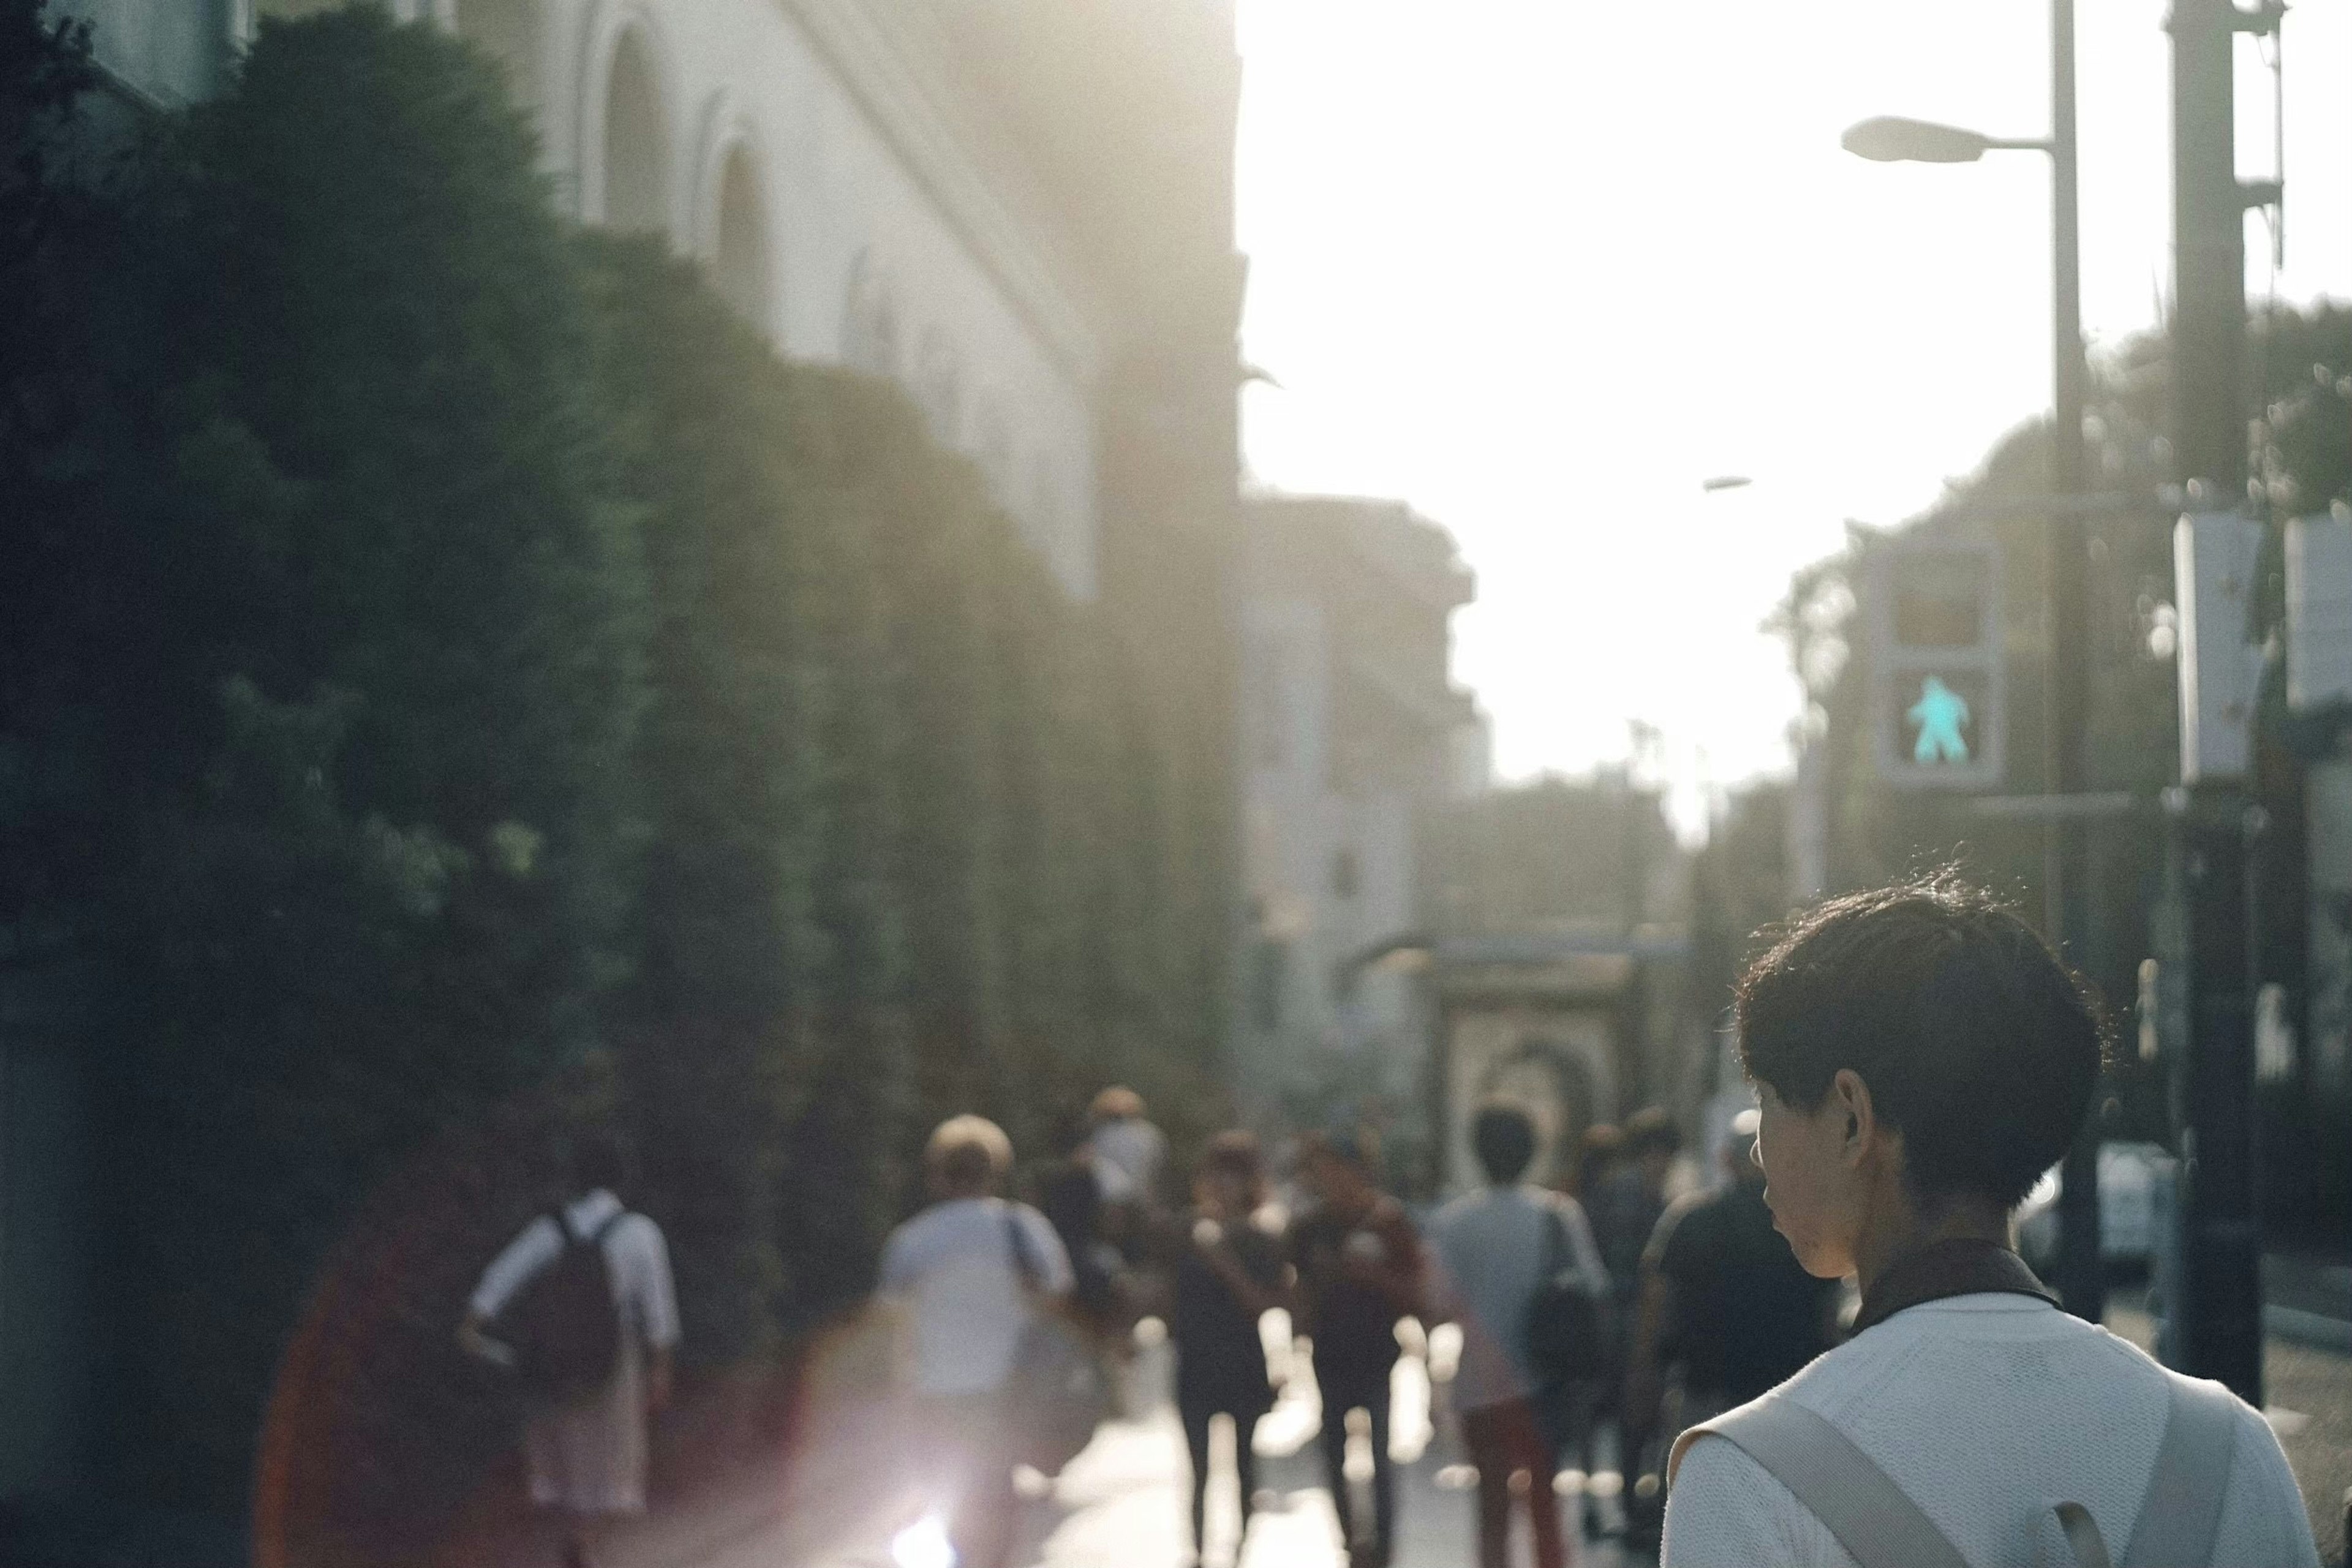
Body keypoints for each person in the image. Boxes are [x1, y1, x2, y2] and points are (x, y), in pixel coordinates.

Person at [1663, 880, 2320, 1567]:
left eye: (1767, 1099)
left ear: (1853, 1118)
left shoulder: (1746, 1478)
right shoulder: (2231, 1449)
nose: (1761, 1148)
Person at [459, 1130, 680, 1568]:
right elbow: (659, 1310)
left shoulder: (552, 1228)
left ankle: (569, 1542)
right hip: (611, 1364)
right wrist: (660, 1368)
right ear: (622, 1178)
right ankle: (582, 1546)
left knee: (561, 1463)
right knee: (609, 1466)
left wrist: (474, 1321)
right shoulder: (639, 1232)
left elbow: (506, 1272)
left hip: (553, 1362)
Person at [1621, 1106, 1838, 1525]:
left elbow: (1655, 1308)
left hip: (1706, 1395)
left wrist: (1643, 1377)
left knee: (1701, 1519)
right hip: (1788, 1397)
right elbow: (1829, 1316)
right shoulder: (1807, 1226)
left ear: (1726, 1160)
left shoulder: (1690, 1221)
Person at [878, 1115, 1074, 1568]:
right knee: (997, 1502)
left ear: (937, 1172)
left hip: (935, 1392)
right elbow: (1059, 1300)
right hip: (1006, 1391)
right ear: (995, 1169)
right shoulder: (1023, 1228)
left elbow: (891, 1323)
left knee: (945, 1499)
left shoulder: (912, 1240)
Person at [1431, 1100, 1607, 1568]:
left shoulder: (1454, 1222)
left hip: (1478, 1384)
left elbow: (1437, 1305)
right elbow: (1592, 1288)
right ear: (1532, 1152)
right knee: (1545, 1506)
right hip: (1544, 1383)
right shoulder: (1557, 1214)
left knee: (1491, 1511)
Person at [1292, 1128, 1423, 1568]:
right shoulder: (1310, 1227)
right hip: (1328, 1353)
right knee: (1334, 1452)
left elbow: (1416, 1289)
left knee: (1380, 1455)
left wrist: (1372, 1275)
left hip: (1376, 1352)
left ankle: (1384, 1549)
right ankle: (1351, 1542)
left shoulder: (1389, 1223)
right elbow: (1297, 1292)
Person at [1170, 1131, 1292, 1564]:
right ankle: (1198, 1553)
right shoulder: (1186, 1230)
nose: (1222, 1184)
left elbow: (1268, 1303)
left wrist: (1222, 1258)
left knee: (1244, 1465)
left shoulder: (1260, 1238)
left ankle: (1242, 1550)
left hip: (1241, 1362)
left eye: (1232, 1176)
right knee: (1198, 1471)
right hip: (1195, 1364)